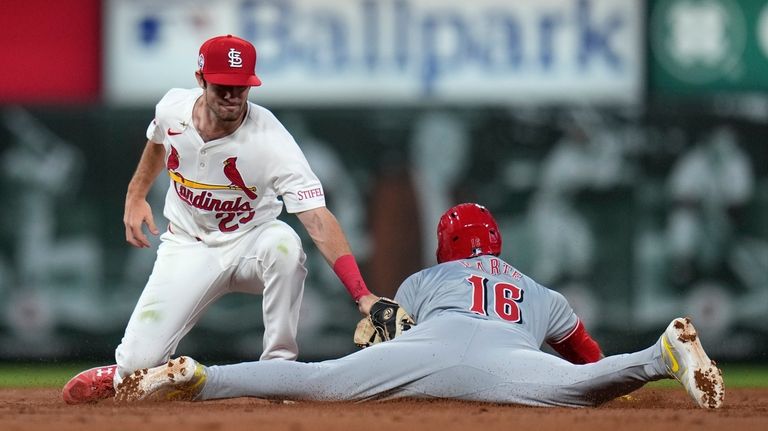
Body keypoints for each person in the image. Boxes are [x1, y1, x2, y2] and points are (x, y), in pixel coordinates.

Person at [114, 203, 725, 409]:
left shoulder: (425, 278)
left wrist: (384, 349)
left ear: (447, 246)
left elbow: (390, 336)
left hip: (429, 348)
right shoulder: (544, 294)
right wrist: (579, 371)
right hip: (510, 357)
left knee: (316, 380)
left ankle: (199, 375)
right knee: (583, 386)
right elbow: (586, 356)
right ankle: (659, 352)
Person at [61, 34, 383, 404]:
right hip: (187, 246)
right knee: (137, 368)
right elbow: (156, 141)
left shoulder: (270, 140)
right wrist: (135, 195)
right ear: (201, 80)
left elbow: (317, 219)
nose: (233, 96)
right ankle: (120, 374)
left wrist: (361, 294)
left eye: (241, 87)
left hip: (251, 242)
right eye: (223, 87)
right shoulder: (173, 109)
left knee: (284, 245)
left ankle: (279, 373)